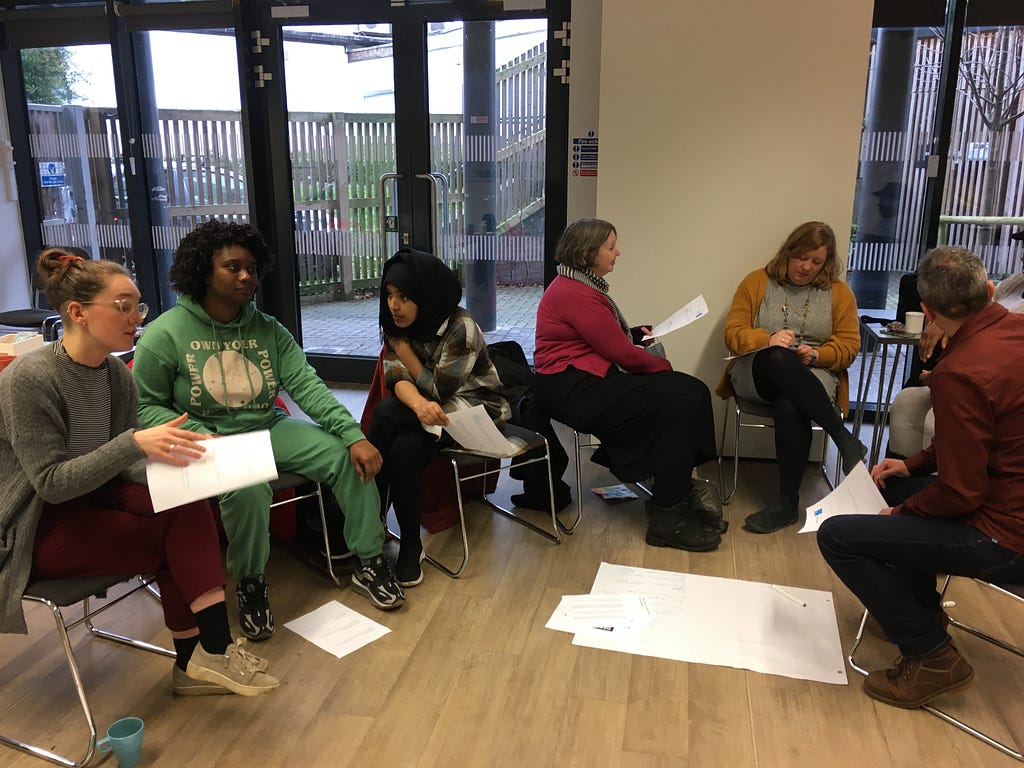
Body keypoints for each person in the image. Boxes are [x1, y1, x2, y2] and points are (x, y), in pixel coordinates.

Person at [0, 248, 278, 696]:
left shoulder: (114, 374)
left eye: (138, 306)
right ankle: (204, 657)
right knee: (171, 539)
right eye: (123, 307)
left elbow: (120, 463)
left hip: (96, 497)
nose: (136, 318)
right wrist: (134, 443)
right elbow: (50, 485)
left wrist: (174, 454)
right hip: (37, 527)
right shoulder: (30, 379)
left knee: (186, 500)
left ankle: (207, 657)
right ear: (78, 313)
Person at [132, 221, 403, 635]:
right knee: (247, 484)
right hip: (209, 439)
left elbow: (308, 386)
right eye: (232, 267)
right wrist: (197, 433)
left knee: (346, 456)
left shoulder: (269, 330)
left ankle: (369, 561)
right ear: (204, 271)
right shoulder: (165, 333)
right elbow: (145, 406)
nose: (246, 276)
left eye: (252, 268)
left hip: (266, 426)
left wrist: (353, 435)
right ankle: (250, 582)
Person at [817, 245, 1024, 709]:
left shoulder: (961, 372)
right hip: (1008, 504)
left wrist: (902, 513)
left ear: (926, 311)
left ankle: (930, 655)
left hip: (1007, 538)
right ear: (991, 291)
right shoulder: (1015, 332)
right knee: (901, 484)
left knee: (838, 537)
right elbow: (983, 442)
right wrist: (912, 465)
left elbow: (960, 493)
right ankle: (923, 616)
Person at [532, 218, 723, 553]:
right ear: (588, 252)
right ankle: (669, 513)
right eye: (611, 246)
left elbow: (598, 338)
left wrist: (634, 334)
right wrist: (663, 368)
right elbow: (623, 355)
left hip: (579, 380)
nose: (617, 252)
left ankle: (671, 499)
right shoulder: (579, 294)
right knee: (686, 394)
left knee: (683, 397)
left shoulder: (576, 285)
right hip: (571, 389)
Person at [367, 249, 514, 586]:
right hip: (426, 415)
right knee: (403, 447)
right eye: (389, 295)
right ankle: (410, 545)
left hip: (478, 414)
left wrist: (406, 356)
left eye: (403, 297)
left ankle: (371, 522)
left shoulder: (461, 327)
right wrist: (418, 405)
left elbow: (438, 389)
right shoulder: (397, 325)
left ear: (426, 294)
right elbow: (396, 380)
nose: (393, 305)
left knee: (388, 413)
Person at [717, 221, 865, 534]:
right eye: (803, 258)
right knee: (778, 358)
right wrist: (766, 340)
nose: (807, 267)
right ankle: (843, 437)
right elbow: (733, 333)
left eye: (817, 262)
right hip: (757, 370)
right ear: (789, 252)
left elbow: (850, 346)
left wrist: (817, 355)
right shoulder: (757, 282)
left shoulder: (839, 293)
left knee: (790, 404)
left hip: (813, 375)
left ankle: (787, 504)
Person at [888, 229, 1024, 459]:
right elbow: (977, 305)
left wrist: (955, 376)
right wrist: (940, 320)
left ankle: (931, 488)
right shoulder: (1016, 282)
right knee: (907, 402)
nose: (1022, 256)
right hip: (972, 369)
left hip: (1000, 390)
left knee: (936, 420)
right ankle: (898, 482)